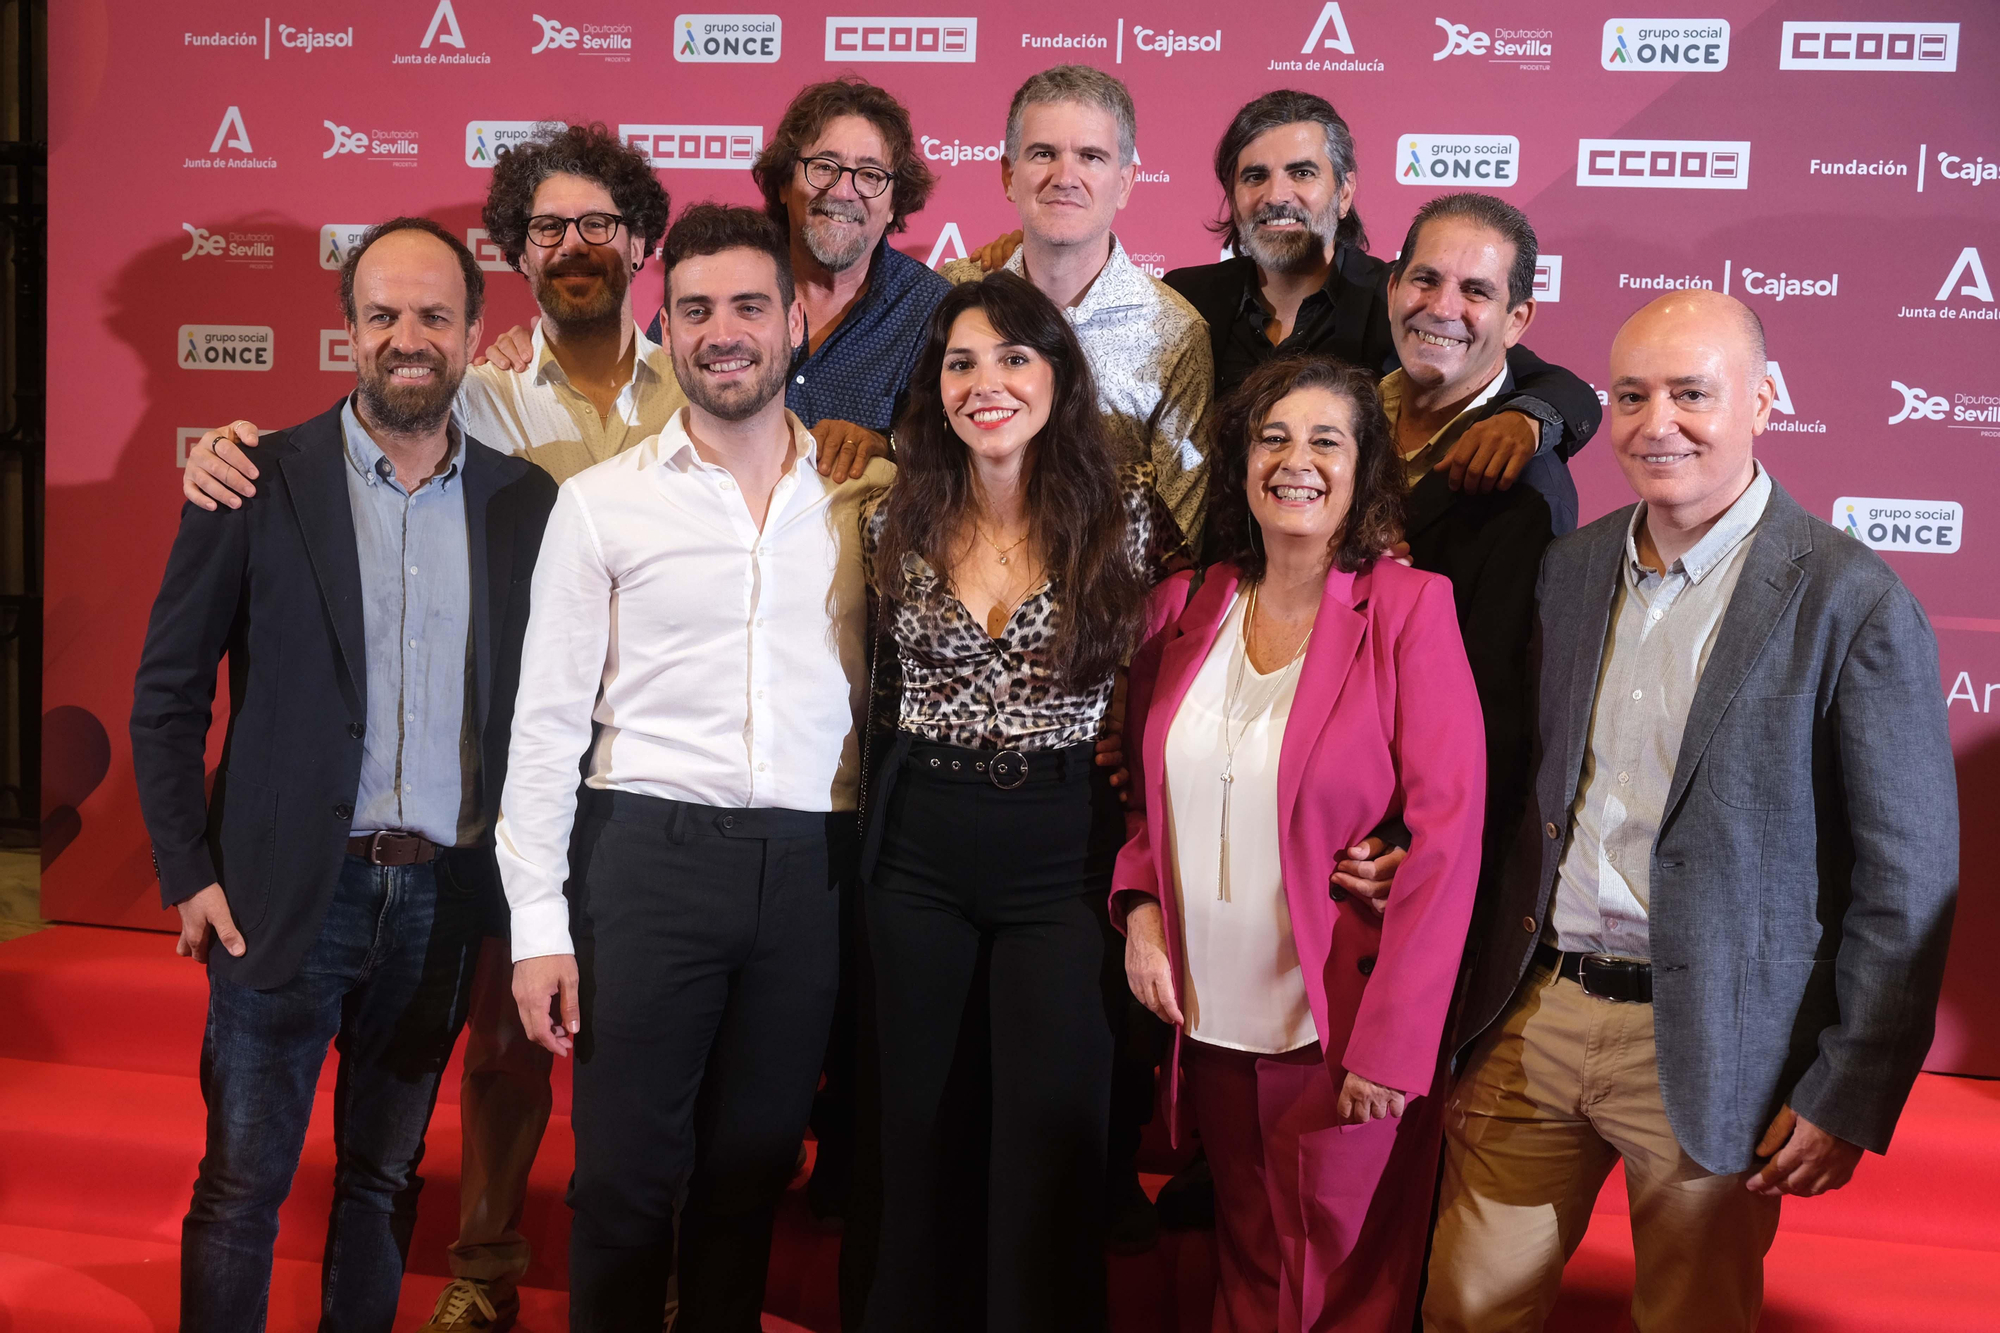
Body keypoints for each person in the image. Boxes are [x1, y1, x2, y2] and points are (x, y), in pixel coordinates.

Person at [1423, 291, 1959, 1331]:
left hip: (1718, 1044)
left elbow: (1906, 876)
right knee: (1462, 1308)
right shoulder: (1568, 569)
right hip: (1535, 1015)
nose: (1654, 422)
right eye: (1629, 395)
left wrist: (1847, 1082)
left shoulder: (1851, 598)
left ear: (1761, 401)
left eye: (1689, 394)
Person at [129, 219, 557, 1333]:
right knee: (240, 1188)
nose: (406, 339)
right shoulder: (254, 478)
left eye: (431, 316)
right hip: (281, 892)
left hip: (443, 901)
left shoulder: (527, 504)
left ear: (475, 333)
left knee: (380, 1180)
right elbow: (168, 694)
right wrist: (187, 868)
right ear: (348, 333)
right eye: (381, 316)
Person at [496, 203, 891, 1333]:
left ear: (796, 321)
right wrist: (537, 925)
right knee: (623, 1179)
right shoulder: (600, 502)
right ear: (663, 327)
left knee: (750, 1173)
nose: (724, 333)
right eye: (696, 309)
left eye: (750, 307)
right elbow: (544, 727)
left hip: (812, 867)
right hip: (645, 858)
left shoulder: (868, 499)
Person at [1116, 355, 1486, 1332]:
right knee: (1245, 1262)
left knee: (1340, 1289)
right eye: (1273, 436)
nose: (1296, 459)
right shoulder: (1180, 606)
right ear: (1238, 461)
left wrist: (1393, 1047)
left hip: (1340, 1027)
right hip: (1207, 1019)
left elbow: (1447, 838)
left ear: (1364, 469)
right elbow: (1141, 799)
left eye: (1327, 440)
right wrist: (1141, 904)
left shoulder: (1410, 609)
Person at [859, 273, 1183, 1332]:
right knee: (916, 1119)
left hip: (1060, 848)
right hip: (918, 843)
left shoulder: (1123, 513)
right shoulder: (888, 513)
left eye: (1012, 358)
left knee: (1050, 1128)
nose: (984, 382)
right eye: (960, 361)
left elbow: (1180, 654)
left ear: (1057, 375)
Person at [1164, 92, 1597, 535]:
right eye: (1254, 176)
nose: (1277, 195)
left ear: (1344, 192)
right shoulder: (1189, 296)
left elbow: (1554, 383)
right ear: (1233, 197)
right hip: (1206, 575)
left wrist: (1526, 419)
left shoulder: (1400, 301)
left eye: (1302, 172)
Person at [940, 65, 1212, 545]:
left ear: (1125, 183)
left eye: (1091, 157)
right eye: (1043, 153)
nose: (1064, 177)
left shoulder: (1175, 331)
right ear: (1008, 174)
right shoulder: (950, 295)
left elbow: (1179, 542)